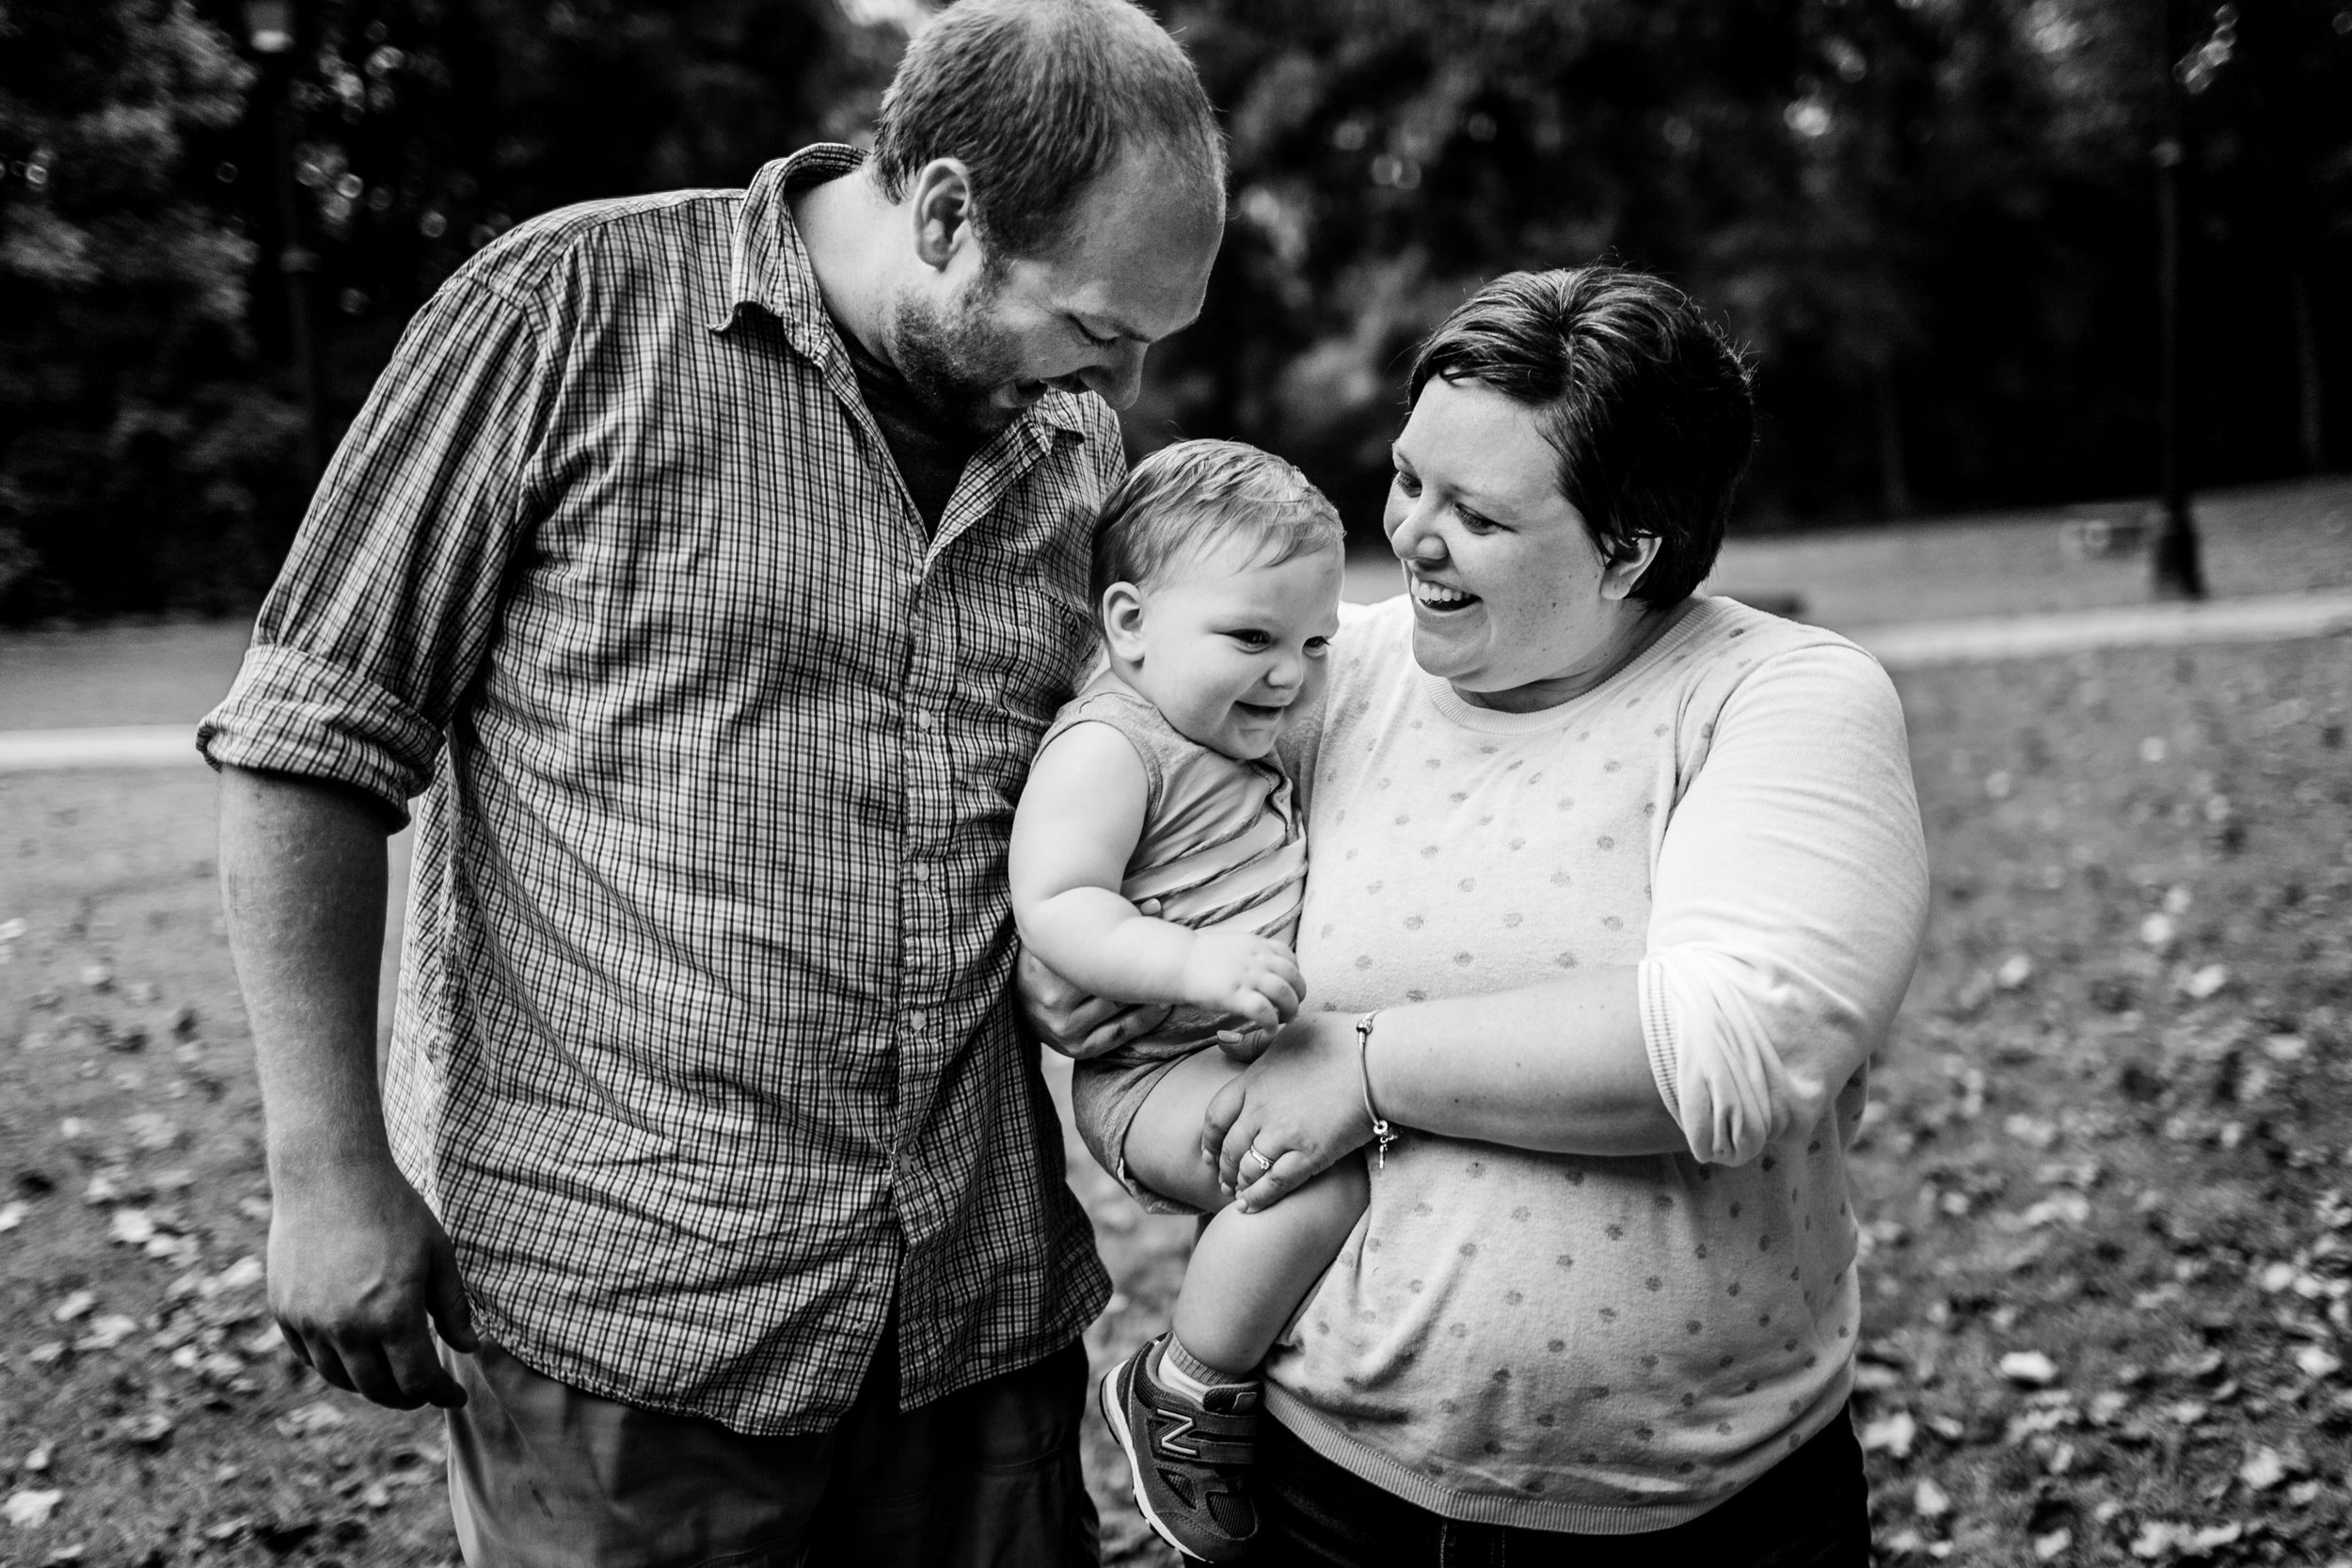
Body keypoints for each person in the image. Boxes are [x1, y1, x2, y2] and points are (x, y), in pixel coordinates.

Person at [198, 2, 1224, 1562]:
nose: (1118, 375)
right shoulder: (562, 311)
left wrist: (1085, 945)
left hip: (973, 1318)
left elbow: (1055, 776)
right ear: (945, 212)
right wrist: (329, 1171)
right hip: (637, 1318)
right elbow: (308, 740)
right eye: (1097, 323)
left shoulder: (1067, 437)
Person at [1029, 266, 1931, 1563]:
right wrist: (1078, 950)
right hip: (1319, 1491)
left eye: (1479, 515)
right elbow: (1118, 752)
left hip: (1686, 1516)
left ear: (1631, 545)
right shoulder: (1328, 674)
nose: (1410, 535)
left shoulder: (1778, 698)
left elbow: (1740, 1045)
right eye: (1408, 480)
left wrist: (1366, 1065)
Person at [1009, 439, 1358, 1562]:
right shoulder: (1112, 745)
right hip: (1149, 1071)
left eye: (1313, 642)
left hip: (1218, 1046)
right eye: (1251, 638)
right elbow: (1058, 904)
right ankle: (1183, 1385)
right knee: (1311, 1177)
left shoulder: (1224, 728)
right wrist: (1199, 966)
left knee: (1332, 1148)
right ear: (1127, 621)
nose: (1288, 675)